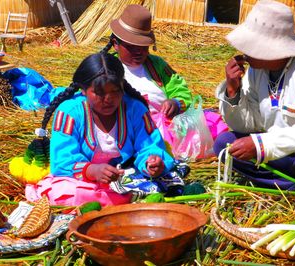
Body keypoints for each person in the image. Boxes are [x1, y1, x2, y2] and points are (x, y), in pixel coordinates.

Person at [214, 0, 295, 190]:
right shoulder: (257, 70)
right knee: (225, 144)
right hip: (284, 149)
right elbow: (252, 123)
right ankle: (293, 184)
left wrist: (261, 145)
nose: (243, 52)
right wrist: (233, 91)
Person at [25, 52, 186, 207]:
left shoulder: (135, 109)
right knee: (59, 191)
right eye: (99, 93)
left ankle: (116, 201)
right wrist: (91, 170)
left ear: (122, 87)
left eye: (115, 91)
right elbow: (62, 161)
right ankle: (121, 201)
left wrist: (151, 163)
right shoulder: (69, 113)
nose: (108, 99)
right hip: (81, 181)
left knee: (167, 182)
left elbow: (150, 146)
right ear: (83, 90)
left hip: (127, 178)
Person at [101, 4, 192, 124]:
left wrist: (175, 103)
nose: (138, 52)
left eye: (143, 47)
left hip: (162, 131)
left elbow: (181, 91)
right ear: (116, 44)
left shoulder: (157, 65)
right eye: (131, 47)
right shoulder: (105, 68)